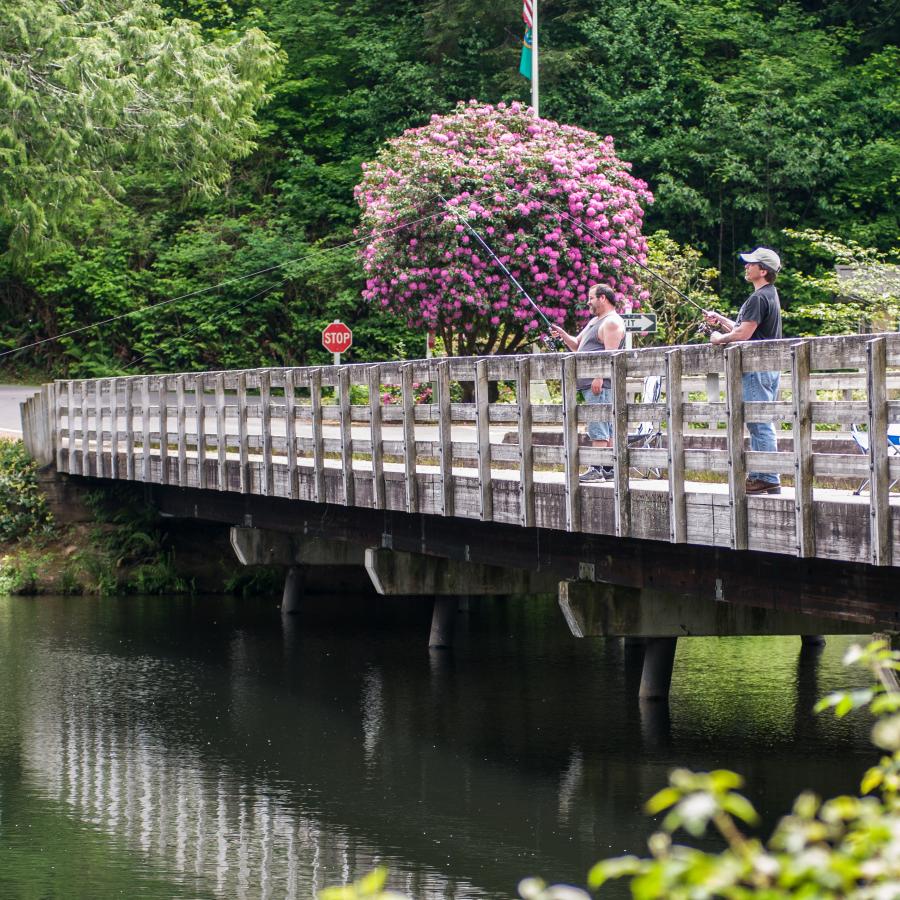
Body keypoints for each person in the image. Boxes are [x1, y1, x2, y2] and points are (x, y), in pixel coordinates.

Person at [704, 247, 783, 495]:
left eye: (751, 264)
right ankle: (764, 475)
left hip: (756, 368)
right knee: (760, 421)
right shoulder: (769, 295)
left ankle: (767, 476)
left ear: (763, 270)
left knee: (759, 423)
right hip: (767, 367)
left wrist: (718, 338)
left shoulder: (759, 298)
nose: (746, 267)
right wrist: (723, 321)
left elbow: (743, 335)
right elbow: (748, 330)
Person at [549, 283, 626, 482]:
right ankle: (608, 469)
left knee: (598, 425)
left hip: (599, 384)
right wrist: (563, 335)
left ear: (603, 298)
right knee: (604, 426)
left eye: (591, 298)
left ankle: (597, 469)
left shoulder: (611, 322)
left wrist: (599, 376)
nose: (588, 302)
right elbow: (577, 346)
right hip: (589, 383)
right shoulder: (595, 321)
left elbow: (610, 354)